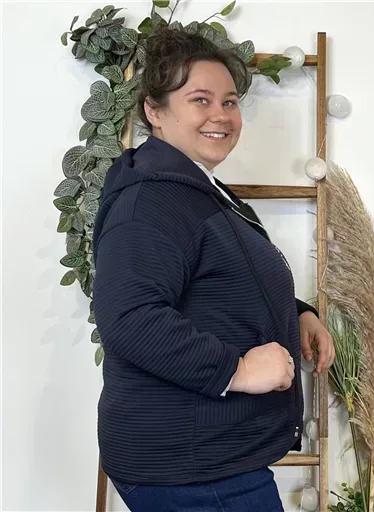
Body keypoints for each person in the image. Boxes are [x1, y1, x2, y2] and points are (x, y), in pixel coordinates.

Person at [92, 27, 334, 512]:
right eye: (200, 100)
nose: (220, 115)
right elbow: (130, 318)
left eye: (229, 102)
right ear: (154, 110)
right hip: (192, 468)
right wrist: (236, 370)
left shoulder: (198, 189)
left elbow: (223, 281)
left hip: (211, 459)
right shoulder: (152, 200)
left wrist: (297, 314)